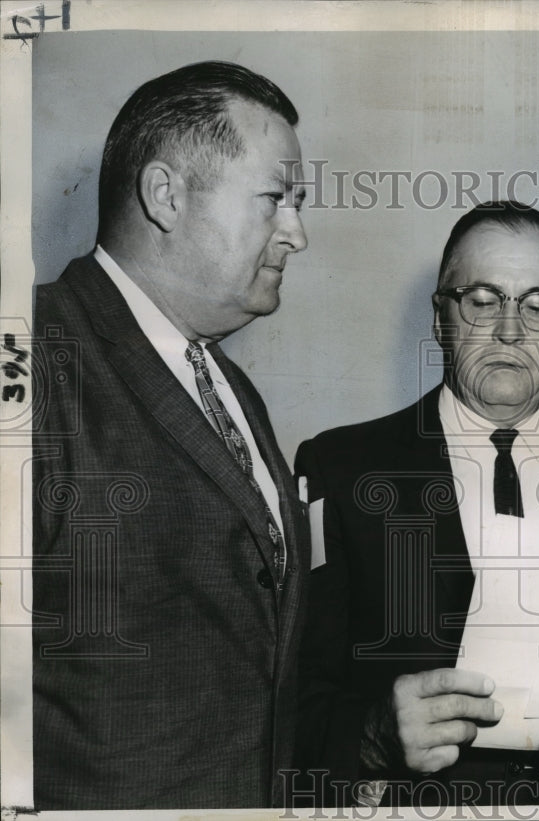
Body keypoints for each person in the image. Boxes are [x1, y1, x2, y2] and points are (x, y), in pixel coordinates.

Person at [295, 202, 539, 807]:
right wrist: (375, 734)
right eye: (483, 300)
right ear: (440, 315)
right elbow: (288, 689)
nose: (511, 330)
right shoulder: (341, 469)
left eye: (538, 305)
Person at [32, 60, 310, 809]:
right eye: (276, 200)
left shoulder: (229, 385)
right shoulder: (32, 357)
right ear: (165, 196)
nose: (298, 234)